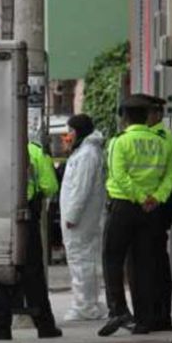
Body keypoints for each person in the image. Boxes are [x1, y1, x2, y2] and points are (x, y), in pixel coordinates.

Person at [98, 94, 171, 337]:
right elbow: (170, 175)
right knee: (145, 264)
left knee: (112, 258)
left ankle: (118, 308)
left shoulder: (119, 142)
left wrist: (139, 197)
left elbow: (118, 175)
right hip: (151, 210)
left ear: (125, 118)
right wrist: (155, 198)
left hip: (124, 206)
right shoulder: (160, 142)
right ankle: (144, 320)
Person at [0, 141, 63, 341]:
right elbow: (50, 186)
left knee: (2, 272)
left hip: (0, 216)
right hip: (27, 218)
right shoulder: (35, 150)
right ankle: (45, 326)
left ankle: (1, 327)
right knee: (33, 274)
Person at [59, 114, 108, 321]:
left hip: (81, 219)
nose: (67, 136)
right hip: (80, 218)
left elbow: (81, 189)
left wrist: (72, 215)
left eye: (69, 131)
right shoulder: (84, 152)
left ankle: (86, 306)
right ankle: (87, 303)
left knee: (82, 260)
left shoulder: (88, 154)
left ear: (78, 131)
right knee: (82, 260)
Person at [146, 99, 172, 331]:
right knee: (151, 261)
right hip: (152, 203)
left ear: (156, 114)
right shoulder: (155, 136)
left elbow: (168, 172)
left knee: (155, 261)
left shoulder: (162, 138)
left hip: (156, 205)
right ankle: (154, 313)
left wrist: (152, 199)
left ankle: (159, 315)